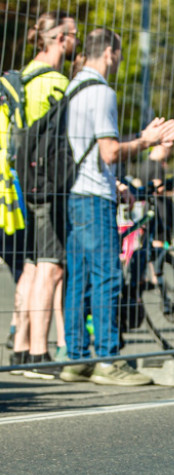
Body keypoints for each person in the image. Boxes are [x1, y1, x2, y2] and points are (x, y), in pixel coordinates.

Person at [60, 28, 174, 386]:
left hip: (73, 193)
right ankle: (109, 359)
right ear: (110, 52)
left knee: (78, 278)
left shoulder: (72, 88)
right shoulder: (101, 92)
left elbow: (85, 151)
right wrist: (147, 140)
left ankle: (76, 358)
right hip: (94, 197)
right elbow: (108, 150)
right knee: (108, 276)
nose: (119, 60)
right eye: (120, 54)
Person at [1, 11, 79, 379]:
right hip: (46, 185)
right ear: (59, 39)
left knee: (30, 266)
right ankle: (39, 355)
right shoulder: (55, 83)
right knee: (49, 267)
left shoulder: (19, 78)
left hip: (17, 187)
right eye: (73, 35)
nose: (76, 41)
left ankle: (20, 351)